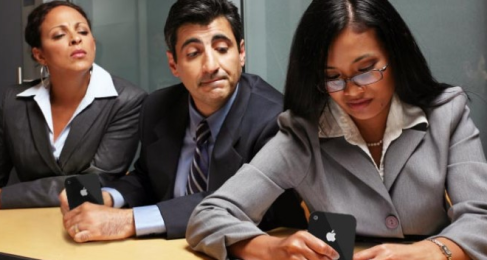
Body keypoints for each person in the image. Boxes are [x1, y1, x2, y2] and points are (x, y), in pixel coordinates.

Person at [186, 0, 487, 259]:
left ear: (396, 57)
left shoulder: (446, 113)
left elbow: (480, 217)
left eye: (366, 70)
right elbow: (208, 216)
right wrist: (270, 248)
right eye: (333, 77)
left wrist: (435, 251)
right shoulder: (303, 134)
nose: (352, 91)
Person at [60, 0, 306, 243]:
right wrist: (109, 197)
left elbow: (247, 205)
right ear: (173, 64)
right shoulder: (157, 106)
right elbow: (147, 177)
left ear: (241, 53)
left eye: (222, 49)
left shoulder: (276, 118)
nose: (211, 66)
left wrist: (128, 221)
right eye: (193, 53)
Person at [0, 1, 147, 209]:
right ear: (39, 55)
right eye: (59, 35)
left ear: (93, 43)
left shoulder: (127, 100)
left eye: (83, 32)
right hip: (23, 222)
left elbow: (98, 181)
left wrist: (5, 197)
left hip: (91, 221)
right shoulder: (13, 101)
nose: (76, 39)